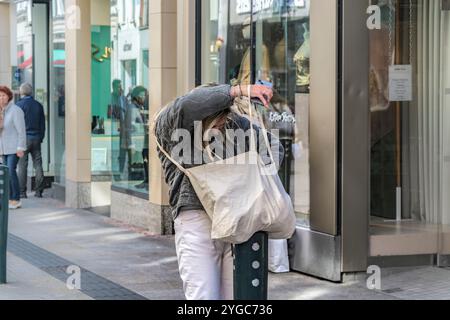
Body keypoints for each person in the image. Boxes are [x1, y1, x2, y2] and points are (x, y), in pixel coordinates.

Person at [154, 84, 283, 300]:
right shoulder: (172, 123)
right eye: (218, 118)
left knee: (233, 297)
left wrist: (254, 178)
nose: (222, 125)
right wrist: (239, 90)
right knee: (203, 296)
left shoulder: (234, 124)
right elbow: (187, 104)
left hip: (235, 217)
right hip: (197, 219)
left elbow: (274, 147)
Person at [16, 83, 46, 198]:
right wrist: (41, 137)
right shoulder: (38, 105)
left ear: (22, 92)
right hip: (36, 138)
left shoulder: (18, 105)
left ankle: (22, 192)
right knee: (38, 164)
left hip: (23, 140)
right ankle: (39, 191)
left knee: (22, 165)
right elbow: (43, 124)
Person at [0, 86, 27, 209]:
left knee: (11, 171)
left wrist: (21, 147)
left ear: (9, 96)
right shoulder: (1, 111)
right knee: (6, 174)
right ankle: (10, 198)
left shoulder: (15, 110)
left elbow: (21, 131)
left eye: (3, 95)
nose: (1, 98)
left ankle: (16, 199)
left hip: (14, 147)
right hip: (3, 148)